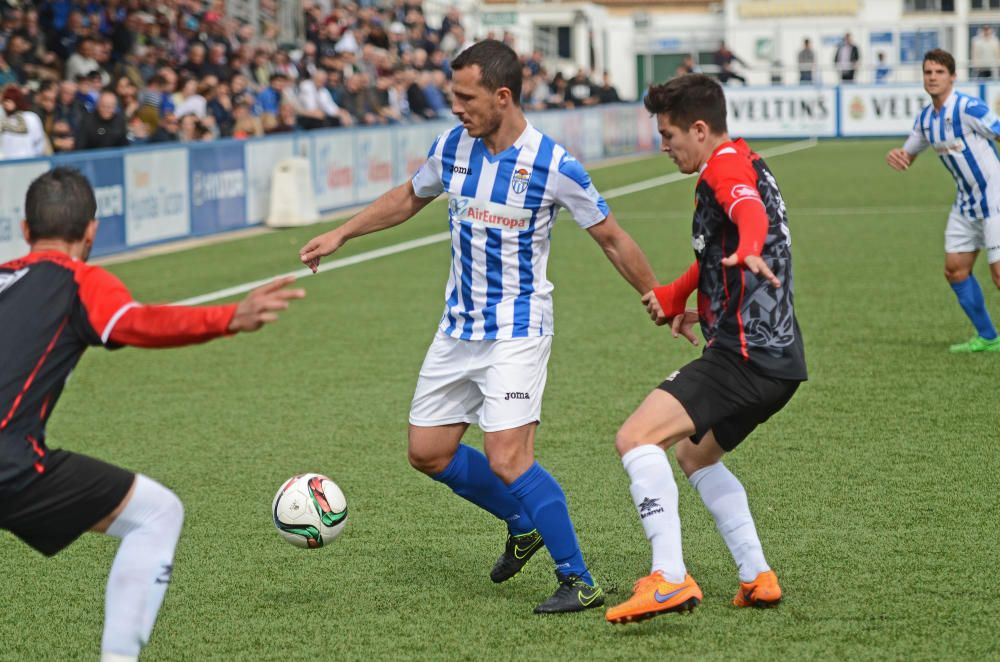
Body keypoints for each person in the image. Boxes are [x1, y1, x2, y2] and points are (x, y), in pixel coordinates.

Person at [299, 40, 661, 614]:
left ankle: (579, 578)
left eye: (466, 98)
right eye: (452, 97)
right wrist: (342, 233)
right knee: (428, 451)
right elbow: (407, 197)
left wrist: (653, 293)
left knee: (508, 456)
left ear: (502, 96)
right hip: (458, 327)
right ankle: (522, 523)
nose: (456, 108)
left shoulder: (552, 163)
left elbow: (611, 236)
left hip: (517, 329)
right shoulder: (453, 146)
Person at [0, 167, 304, 661]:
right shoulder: (80, 281)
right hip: (10, 464)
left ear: (24, 230)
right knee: (157, 514)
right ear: (92, 231)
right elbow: (137, 323)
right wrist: (229, 317)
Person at [604, 73, 807, 624]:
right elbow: (718, 251)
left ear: (699, 128)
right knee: (695, 455)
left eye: (669, 136)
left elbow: (747, 214)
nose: (664, 147)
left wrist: (746, 247)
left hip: (742, 359)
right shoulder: (747, 159)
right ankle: (756, 575)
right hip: (780, 363)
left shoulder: (725, 168)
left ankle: (668, 577)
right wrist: (679, 297)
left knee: (636, 437)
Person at [886, 49, 1000, 353]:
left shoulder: (968, 108)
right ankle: (988, 337)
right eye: (928, 72)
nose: (932, 78)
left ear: (952, 76)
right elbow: (907, 154)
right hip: (966, 203)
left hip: (995, 197)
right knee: (955, 270)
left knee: (999, 274)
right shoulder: (926, 120)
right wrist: (899, 156)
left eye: (939, 72)